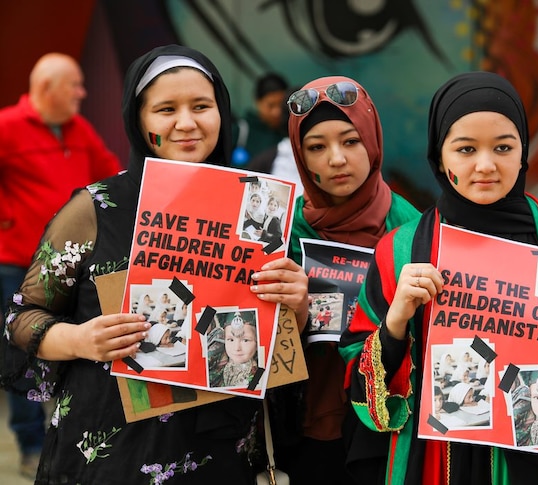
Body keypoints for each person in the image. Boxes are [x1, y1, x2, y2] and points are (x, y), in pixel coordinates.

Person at [0, 44, 309, 484]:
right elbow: (20, 319)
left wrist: (295, 305)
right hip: (113, 451)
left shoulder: (258, 211)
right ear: (139, 121)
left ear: (221, 113)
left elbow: (274, 342)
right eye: (166, 109)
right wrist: (80, 339)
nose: (186, 123)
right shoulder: (97, 208)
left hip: (218, 453)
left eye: (202, 106)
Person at [338, 71, 538, 484]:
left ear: (523, 152)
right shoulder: (402, 250)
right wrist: (396, 319)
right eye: (465, 149)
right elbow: (358, 379)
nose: (486, 165)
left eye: (503, 147)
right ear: (440, 156)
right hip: (433, 461)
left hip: (536, 463)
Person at [265, 75, 420, 485]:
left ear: (371, 140)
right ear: (300, 156)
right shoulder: (281, 230)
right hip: (298, 427)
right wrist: (293, 310)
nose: (336, 159)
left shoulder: (412, 232)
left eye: (350, 141)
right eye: (316, 147)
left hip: (383, 428)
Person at [0, 51, 122, 479]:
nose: (82, 94)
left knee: (75, 355)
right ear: (48, 89)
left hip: (76, 267)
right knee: (25, 358)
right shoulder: (7, 127)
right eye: (75, 85)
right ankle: (31, 444)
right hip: (19, 263)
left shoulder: (79, 128)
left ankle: (64, 437)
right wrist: (9, 217)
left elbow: (111, 175)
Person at [231, 72, 289, 167]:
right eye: (271, 105)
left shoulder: (291, 133)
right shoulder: (241, 130)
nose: (277, 112)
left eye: (281, 104)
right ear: (257, 102)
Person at [209, 314, 259, 388]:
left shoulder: (258, 376)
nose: (237, 348)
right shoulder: (218, 365)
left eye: (245, 340)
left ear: (257, 342)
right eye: (231, 340)